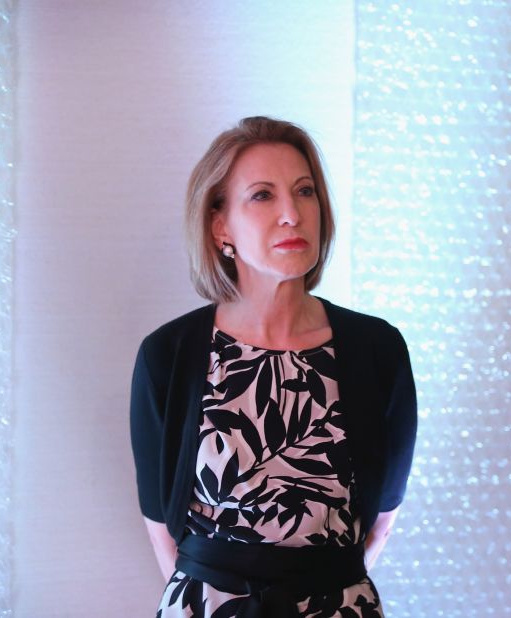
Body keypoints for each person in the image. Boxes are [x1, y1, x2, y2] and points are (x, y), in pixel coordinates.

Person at [129, 116, 417, 617]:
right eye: (262, 195)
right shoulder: (168, 355)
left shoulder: (378, 349)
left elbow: (381, 522)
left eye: (304, 192)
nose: (292, 213)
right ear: (221, 225)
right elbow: (162, 532)